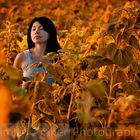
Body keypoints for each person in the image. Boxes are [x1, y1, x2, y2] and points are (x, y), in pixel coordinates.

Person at [13, 16, 61, 84]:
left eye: (41, 29)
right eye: (33, 29)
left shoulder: (58, 58)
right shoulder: (21, 57)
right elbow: (13, 86)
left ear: (50, 33)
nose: (36, 32)